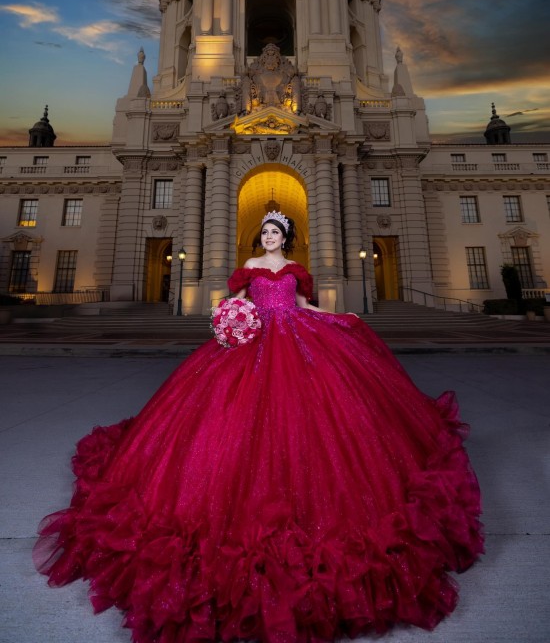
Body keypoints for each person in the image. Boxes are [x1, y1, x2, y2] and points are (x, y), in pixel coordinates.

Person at [34, 211, 484, 643]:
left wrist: (341, 319)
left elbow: (306, 305)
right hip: (254, 343)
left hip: (297, 338)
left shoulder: (297, 269)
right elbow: (236, 301)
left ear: (284, 238)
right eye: (264, 233)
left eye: (274, 232)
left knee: (315, 422)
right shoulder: (248, 266)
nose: (267, 237)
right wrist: (229, 317)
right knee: (224, 426)